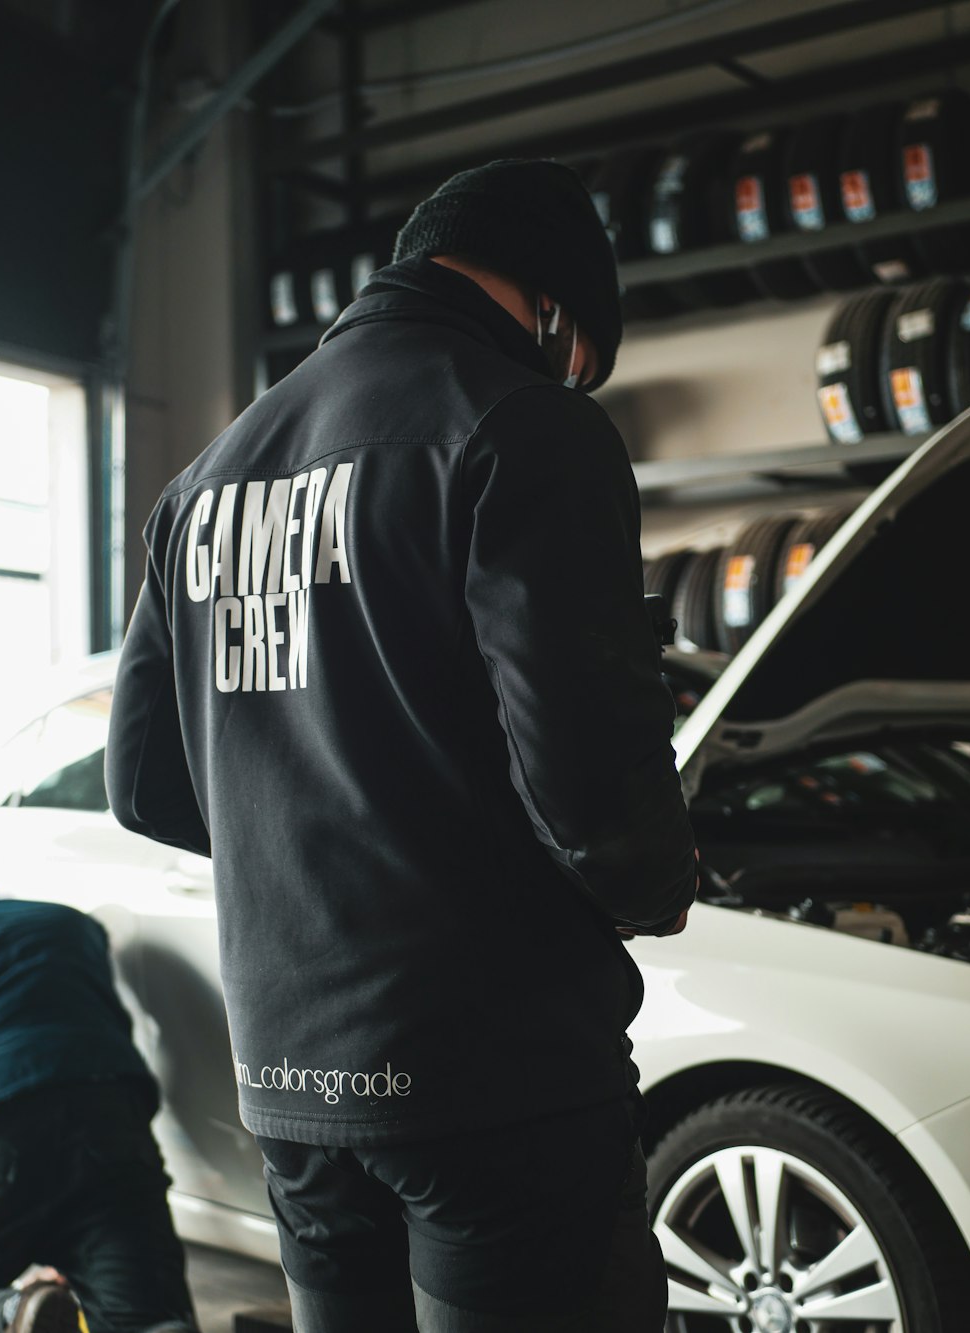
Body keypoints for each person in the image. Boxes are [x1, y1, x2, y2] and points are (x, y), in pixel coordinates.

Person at [105, 158, 698, 1332]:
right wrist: (655, 883)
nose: (572, 372)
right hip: (498, 1076)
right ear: (550, 301)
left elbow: (145, 787)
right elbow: (587, 785)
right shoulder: (519, 421)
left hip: (286, 1082)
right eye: (579, 347)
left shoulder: (207, 478)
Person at [0, 881, 198, 1333]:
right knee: (146, 1318)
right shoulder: (70, 921)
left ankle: (8, 1317)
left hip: (2, 1123)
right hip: (113, 1121)